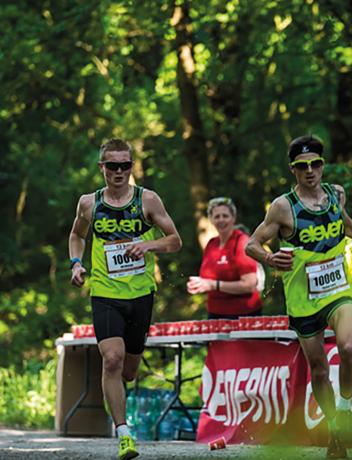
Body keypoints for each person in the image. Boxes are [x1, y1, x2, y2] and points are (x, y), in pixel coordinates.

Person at [245, 135, 352, 459]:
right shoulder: (282, 206)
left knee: (348, 347)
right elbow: (251, 243)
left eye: (316, 164)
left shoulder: (336, 194)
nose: (310, 171)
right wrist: (269, 258)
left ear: (322, 165)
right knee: (318, 369)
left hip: (337, 289)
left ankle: (345, 411)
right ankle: (334, 427)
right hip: (303, 298)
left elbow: (346, 225)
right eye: (302, 166)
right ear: (293, 169)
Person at [69, 138, 182, 460]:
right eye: (112, 165)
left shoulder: (148, 200)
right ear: (102, 167)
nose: (119, 171)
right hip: (105, 292)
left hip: (141, 294)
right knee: (112, 360)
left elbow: (175, 241)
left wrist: (148, 246)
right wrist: (77, 263)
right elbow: (76, 235)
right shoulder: (89, 203)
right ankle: (123, 433)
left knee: (129, 370)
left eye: (125, 165)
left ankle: (121, 411)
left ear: (131, 166)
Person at [187, 197, 262, 319]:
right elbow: (207, 278)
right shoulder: (211, 244)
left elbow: (249, 284)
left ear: (233, 218)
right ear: (210, 219)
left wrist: (213, 285)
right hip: (214, 314)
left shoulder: (242, 242)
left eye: (225, 216)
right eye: (216, 216)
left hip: (243, 315)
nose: (221, 220)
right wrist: (199, 284)